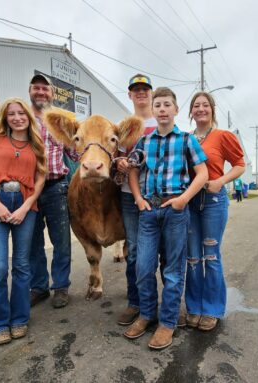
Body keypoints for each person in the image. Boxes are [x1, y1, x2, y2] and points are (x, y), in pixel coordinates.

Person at [125, 87, 208, 350]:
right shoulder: (144, 142)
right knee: (143, 267)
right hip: (149, 210)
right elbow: (133, 170)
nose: (162, 109)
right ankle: (147, 314)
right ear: (153, 109)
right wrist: (138, 199)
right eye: (157, 105)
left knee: (173, 270)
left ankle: (168, 322)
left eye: (166, 105)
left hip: (175, 210)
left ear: (175, 110)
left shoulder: (186, 140)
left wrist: (184, 199)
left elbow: (203, 173)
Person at [0, 98, 46, 345]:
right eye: (11, 114)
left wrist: (26, 207)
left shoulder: (37, 145)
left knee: (22, 265)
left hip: (25, 205)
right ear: (5, 118)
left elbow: (39, 180)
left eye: (21, 113)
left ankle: (19, 319)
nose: (17, 118)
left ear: (28, 116)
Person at [185, 92, 245, 331]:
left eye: (205, 105)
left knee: (210, 255)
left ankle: (211, 309)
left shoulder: (223, 136)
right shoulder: (186, 138)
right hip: (190, 202)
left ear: (212, 109)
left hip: (213, 200)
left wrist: (222, 181)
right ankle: (193, 307)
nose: (200, 109)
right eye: (196, 105)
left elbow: (240, 165)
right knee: (191, 257)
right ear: (190, 112)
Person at [116, 74, 158, 326]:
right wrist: (118, 162)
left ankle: (158, 302)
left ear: (151, 93)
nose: (141, 93)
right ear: (130, 95)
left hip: (157, 196)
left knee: (160, 252)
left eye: (145, 89)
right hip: (128, 197)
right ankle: (135, 302)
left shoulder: (163, 120)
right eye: (136, 89)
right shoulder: (124, 127)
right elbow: (115, 157)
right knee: (133, 252)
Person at [28, 74, 72, 308]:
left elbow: (75, 151)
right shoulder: (21, 118)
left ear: (52, 94)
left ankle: (61, 287)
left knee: (61, 241)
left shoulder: (61, 120)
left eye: (45, 89)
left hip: (56, 186)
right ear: (30, 91)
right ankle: (39, 287)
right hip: (28, 189)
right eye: (37, 88)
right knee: (32, 241)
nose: (41, 92)